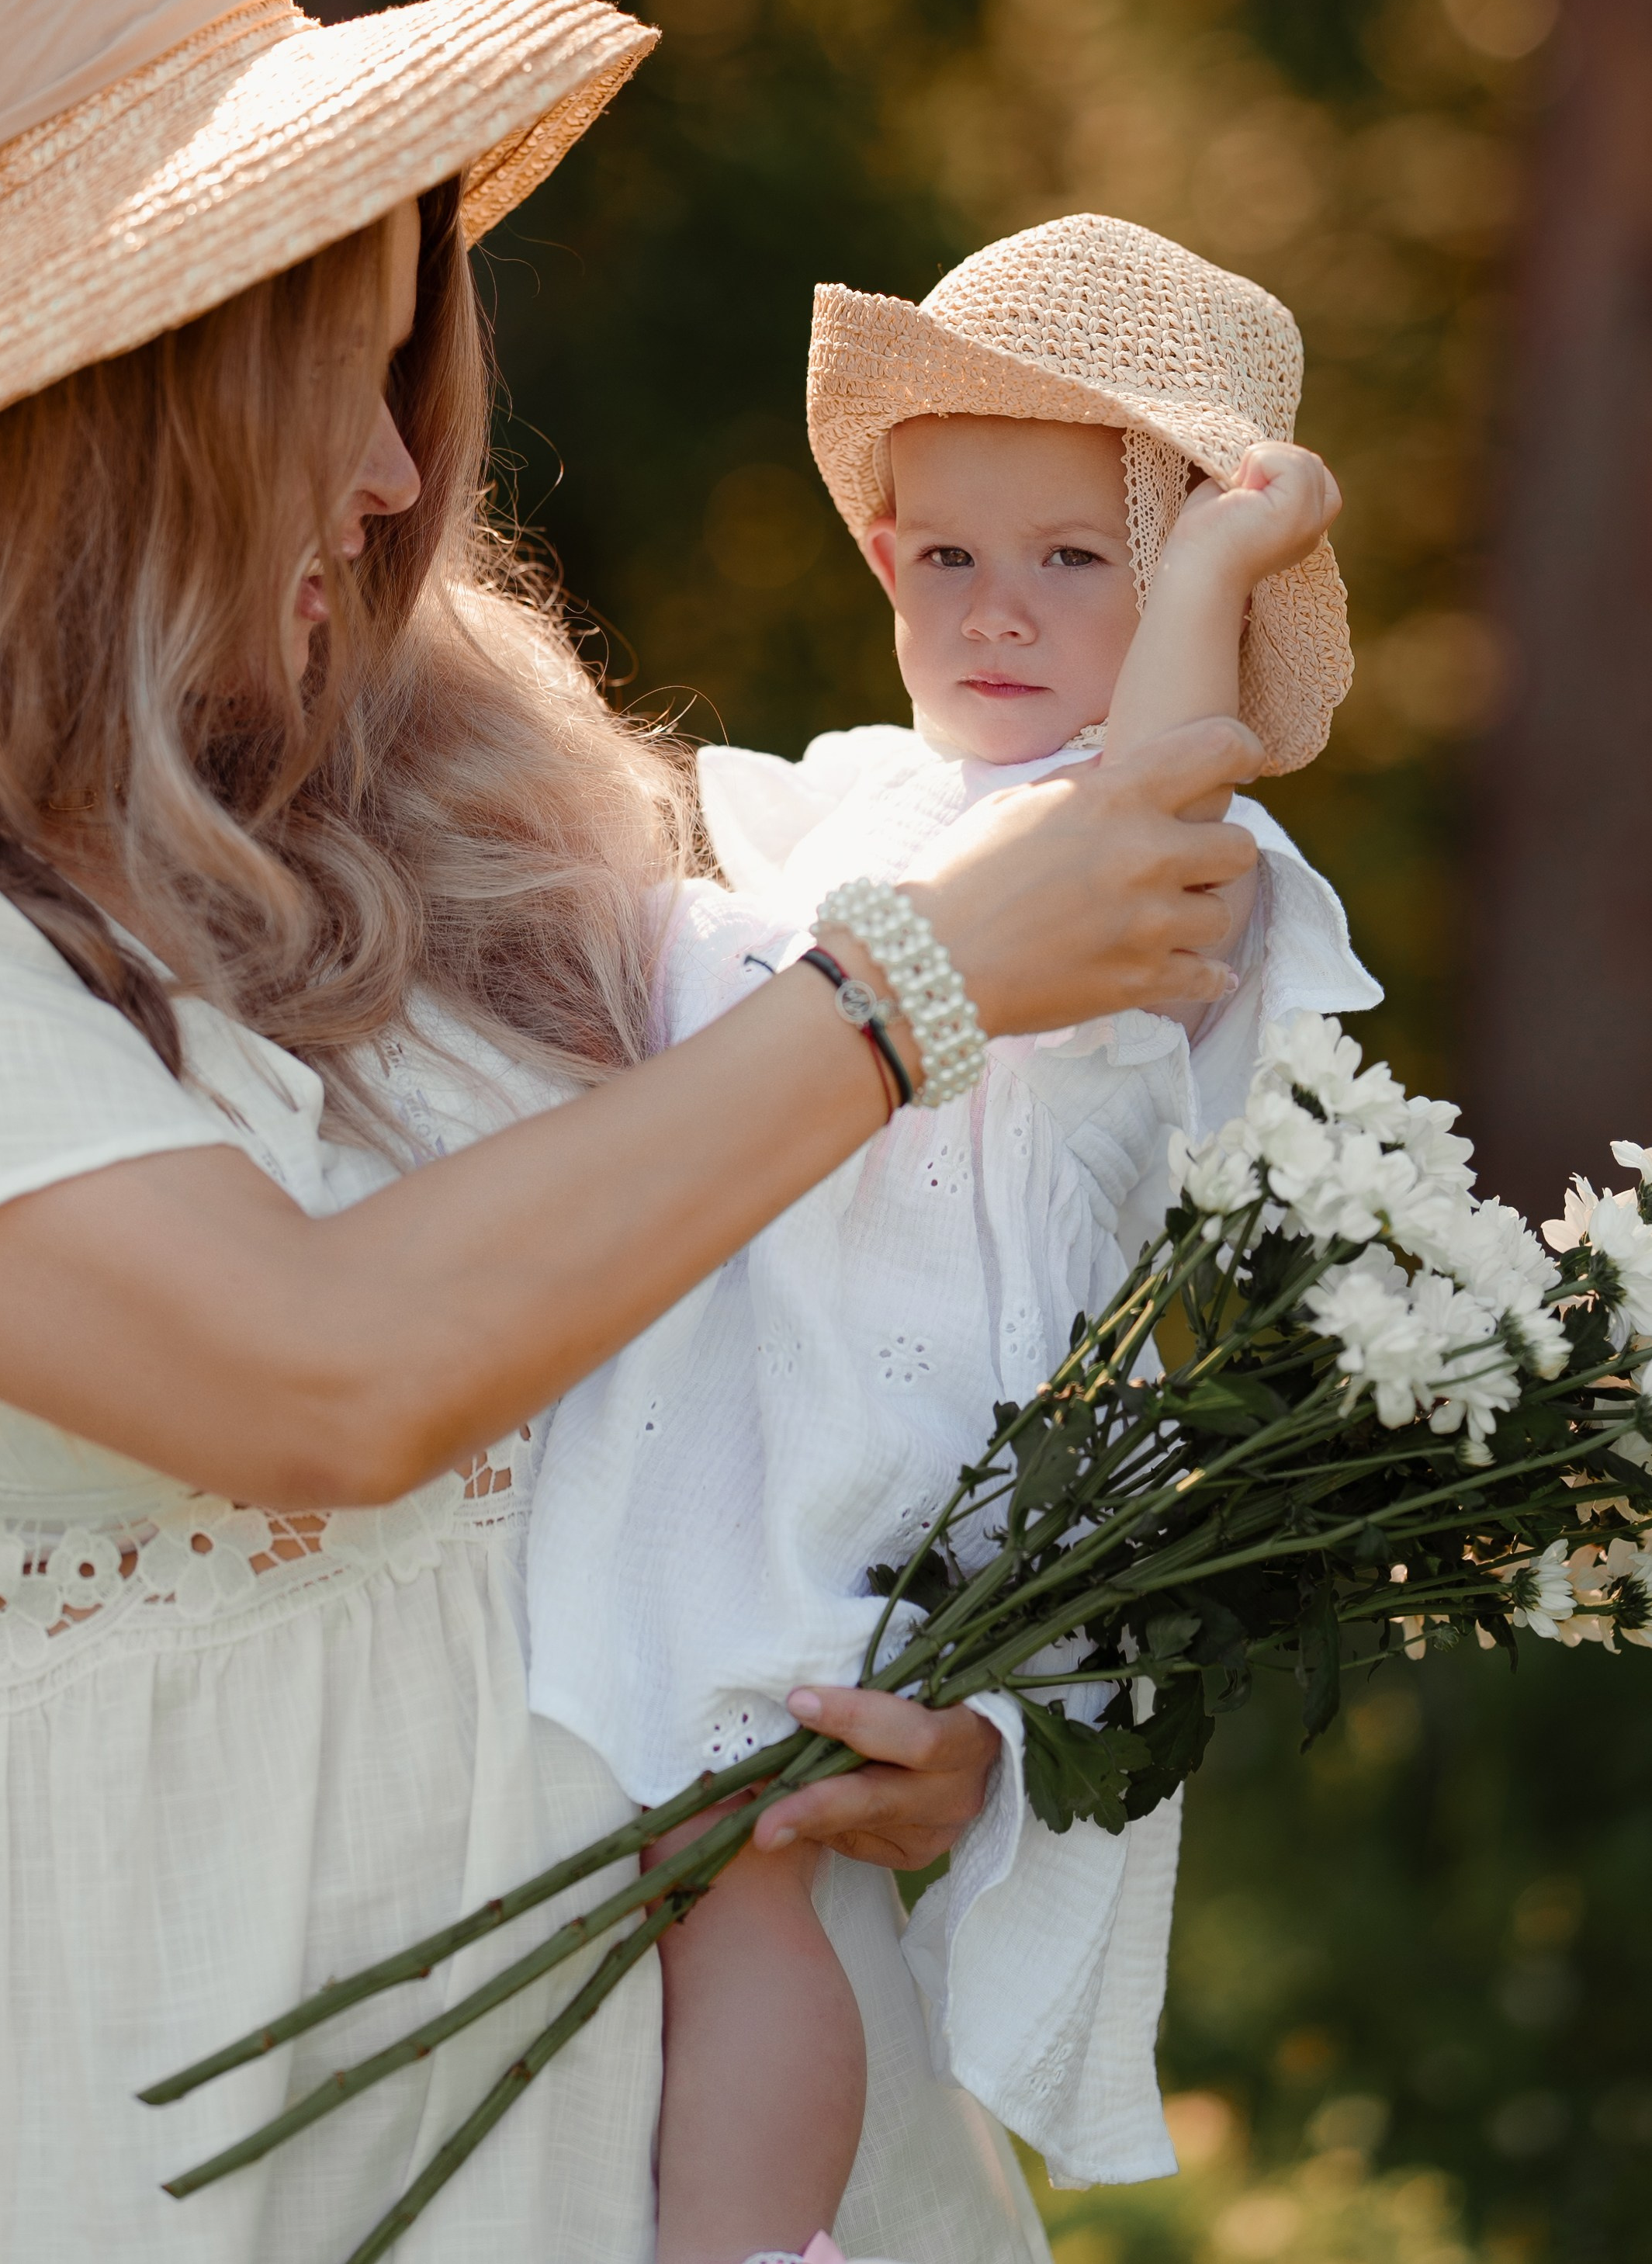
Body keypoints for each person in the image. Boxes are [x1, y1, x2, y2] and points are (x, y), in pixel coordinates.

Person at [0, 0, 1267, 2264]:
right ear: (105, 421)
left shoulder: (442, 774)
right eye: (328, 384)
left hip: (681, 2096)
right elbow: (327, 1375)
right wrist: (910, 984)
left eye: (405, 379)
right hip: (179, 2068)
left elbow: (783, 1303)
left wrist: (936, 1691)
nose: (393, 477)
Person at [526, 218, 1384, 2264]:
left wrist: (1214, 567)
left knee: (736, 1844)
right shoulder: (863, 801)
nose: (996, 608)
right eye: (946, 556)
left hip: (893, 1416)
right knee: (668, 1829)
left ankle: (753, 2241)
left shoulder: (1179, 846)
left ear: (1182, 592)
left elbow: (1143, 812)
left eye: (1076, 558)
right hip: (741, 1381)